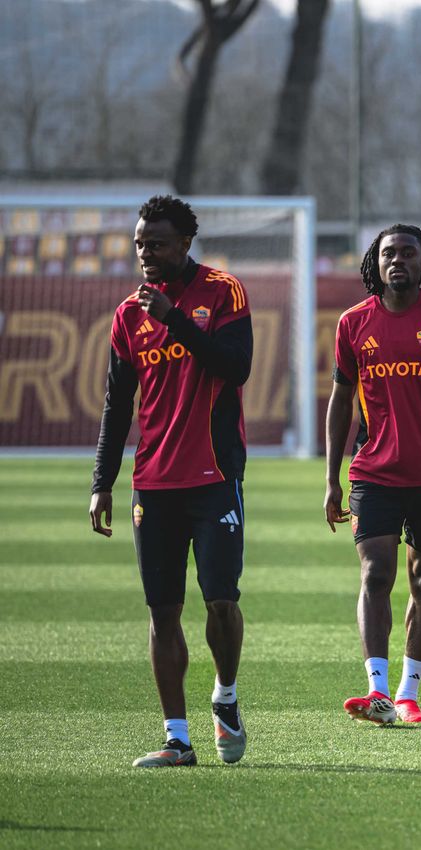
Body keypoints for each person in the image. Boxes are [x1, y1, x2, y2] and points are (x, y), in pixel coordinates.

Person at [90, 195, 253, 767]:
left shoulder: (223, 291)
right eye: (139, 243)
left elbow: (236, 368)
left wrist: (174, 319)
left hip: (213, 477)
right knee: (162, 611)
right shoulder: (125, 316)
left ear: (184, 244)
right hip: (153, 483)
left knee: (220, 601)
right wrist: (102, 481)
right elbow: (117, 406)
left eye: (156, 243)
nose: (145, 253)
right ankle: (177, 739)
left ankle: (226, 697)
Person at [324, 224, 421, 726]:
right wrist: (332, 478)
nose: (397, 261)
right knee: (376, 573)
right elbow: (341, 401)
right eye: (388, 253)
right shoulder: (353, 323)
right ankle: (377, 692)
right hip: (372, 472)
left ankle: (409, 693)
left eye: (407, 253)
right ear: (376, 262)